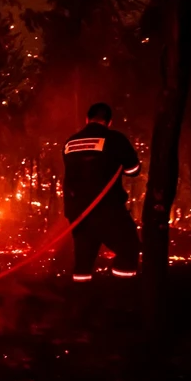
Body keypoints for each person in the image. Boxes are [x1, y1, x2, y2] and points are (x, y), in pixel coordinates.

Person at [62, 102, 142, 282]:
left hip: (78, 213)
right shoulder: (115, 139)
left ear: (87, 119)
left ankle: (81, 295)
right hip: (108, 210)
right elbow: (133, 170)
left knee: (83, 261)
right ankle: (119, 290)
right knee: (129, 249)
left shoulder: (70, 142)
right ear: (109, 121)